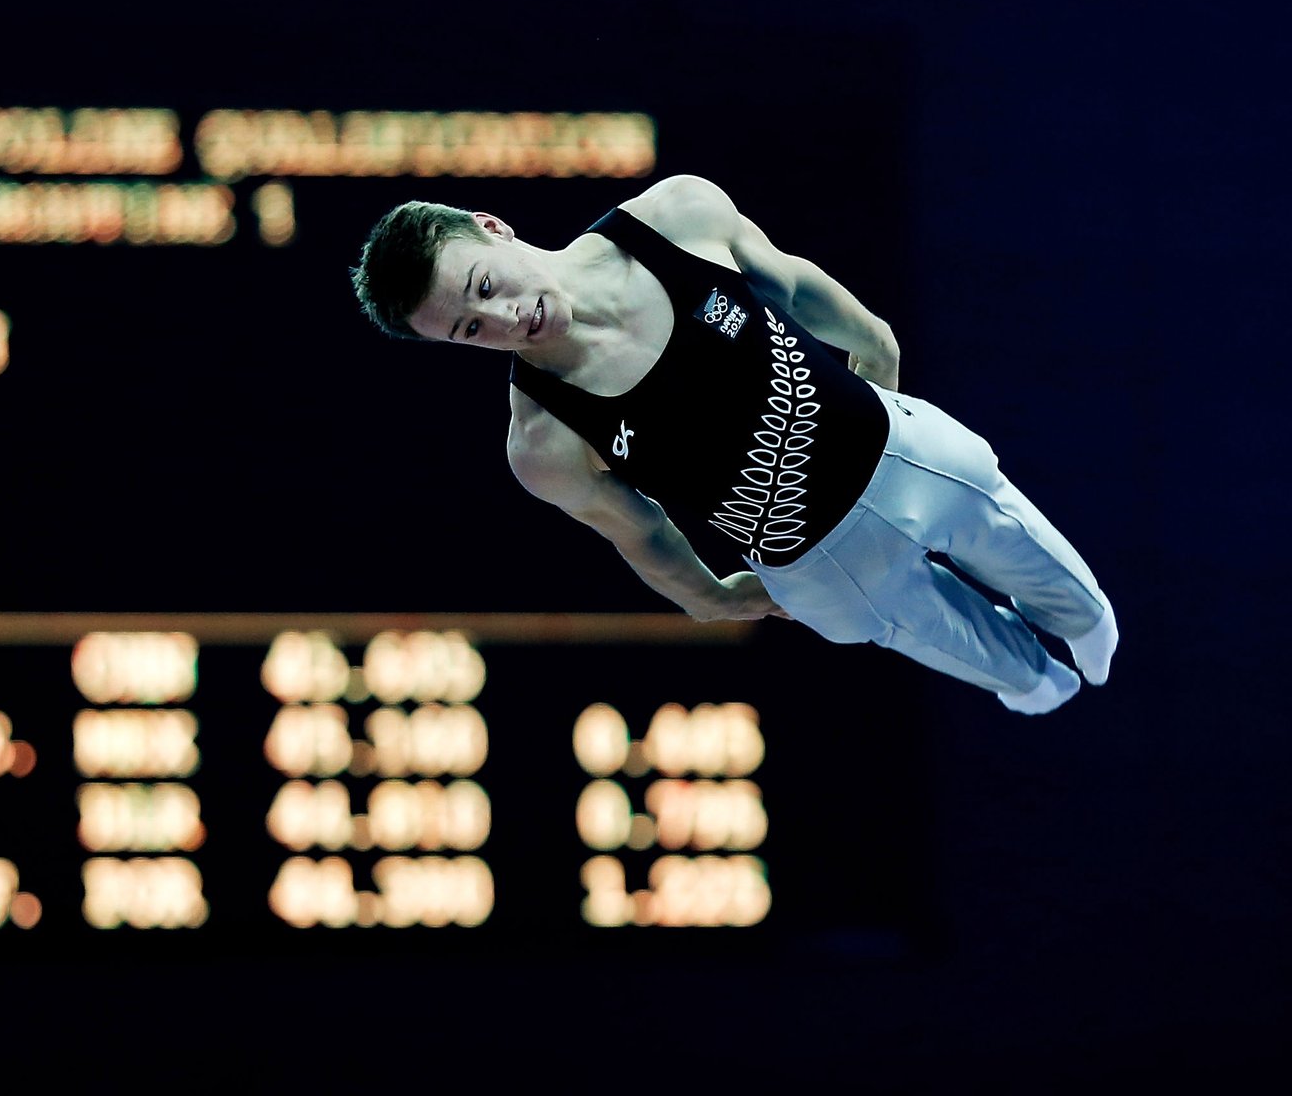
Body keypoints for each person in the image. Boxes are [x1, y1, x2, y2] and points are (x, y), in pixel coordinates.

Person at [349, 174, 1117, 714]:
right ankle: (1039, 688)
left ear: (493, 227)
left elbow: (791, 284)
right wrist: (711, 599)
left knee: (1088, 618)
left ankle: (1084, 641)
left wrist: (875, 349)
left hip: (906, 460)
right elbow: (640, 534)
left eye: (486, 287)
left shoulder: (674, 216)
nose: (508, 317)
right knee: (1024, 681)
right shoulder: (542, 439)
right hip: (823, 570)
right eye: (471, 329)